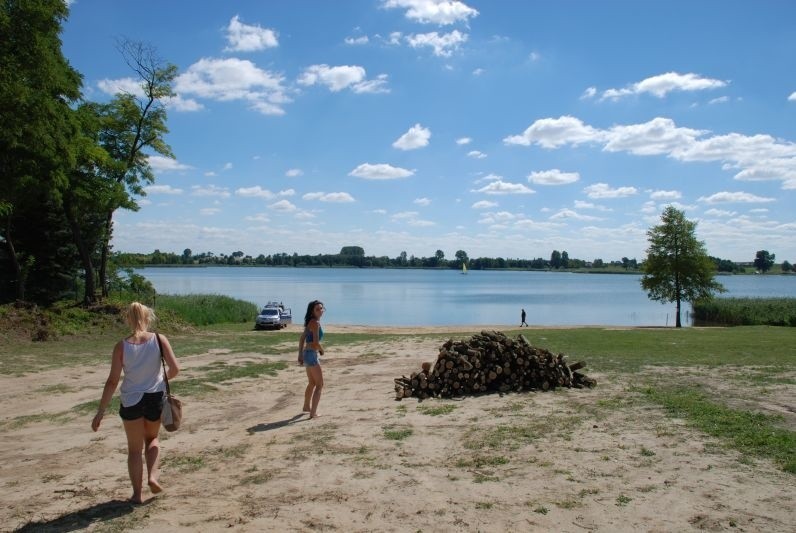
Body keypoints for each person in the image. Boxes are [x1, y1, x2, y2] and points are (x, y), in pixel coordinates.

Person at [91, 302, 179, 504]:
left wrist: (100, 412)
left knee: (133, 450)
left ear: (128, 319)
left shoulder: (121, 346)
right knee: (152, 439)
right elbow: (174, 369)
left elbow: (113, 381)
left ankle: (137, 494)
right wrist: (158, 379)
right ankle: (152, 477)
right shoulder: (159, 339)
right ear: (148, 318)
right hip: (154, 397)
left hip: (131, 400)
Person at [298, 300, 325, 418]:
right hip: (311, 355)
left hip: (307, 353)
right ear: (312, 311)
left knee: (312, 383)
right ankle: (313, 413)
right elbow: (315, 343)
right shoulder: (315, 323)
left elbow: (302, 338)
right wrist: (321, 350)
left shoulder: (311, 322)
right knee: (319, 384)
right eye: (317, 309)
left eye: (321, 308)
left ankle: (306, 407)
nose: (320, 310)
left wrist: (300, 354)